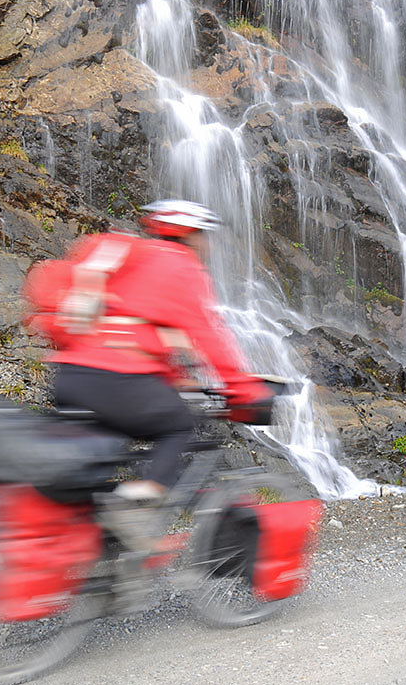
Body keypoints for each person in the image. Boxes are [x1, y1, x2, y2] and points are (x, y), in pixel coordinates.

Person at [23, 200, 273, 550]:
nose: (208, 245)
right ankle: (139, 505)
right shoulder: (180, 267)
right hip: (120, 381)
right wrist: (244, 391)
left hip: (71, 377)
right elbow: (210, 338)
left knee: (109, 447)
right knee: (178, 425)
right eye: (204, 236)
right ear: (189, 235)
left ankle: (104, 548)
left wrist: (169, 376)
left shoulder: (121, 257)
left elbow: (133, 329)